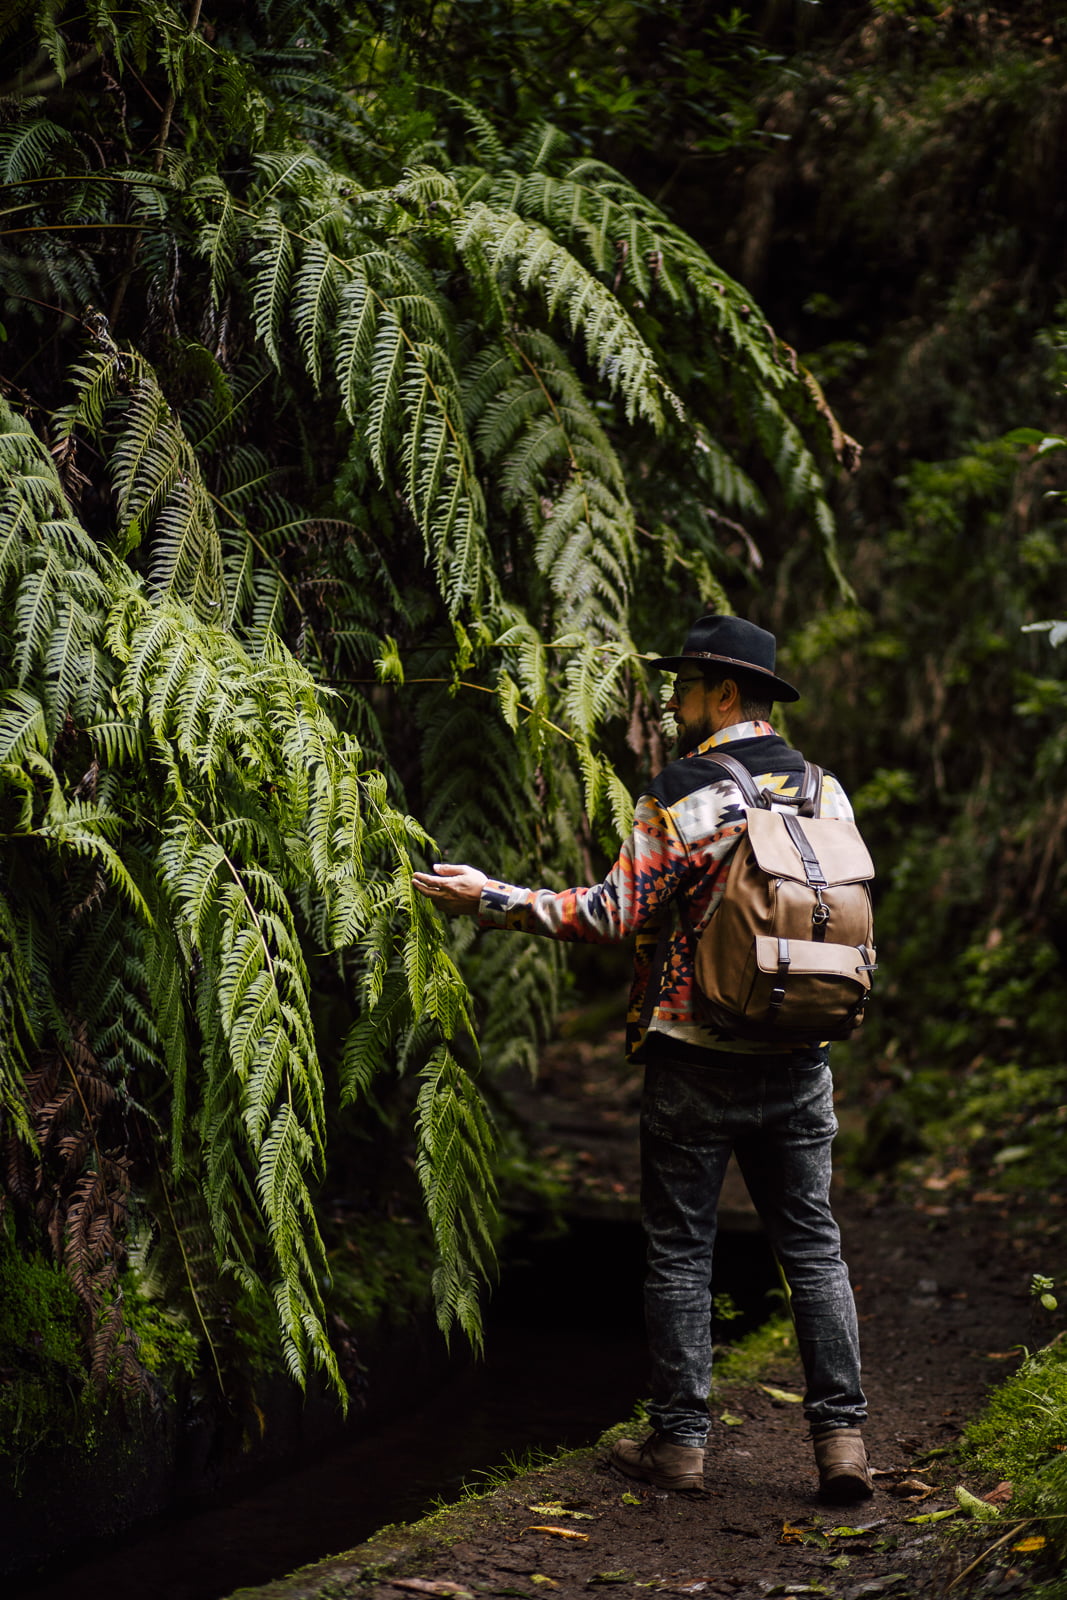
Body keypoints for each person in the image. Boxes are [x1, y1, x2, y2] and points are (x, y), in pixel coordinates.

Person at [412, 613, 872, 1504]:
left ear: (724, 695)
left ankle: (681, 1447)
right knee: (813, 1249)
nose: (671, 701)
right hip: (800, 1051)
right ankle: (841, 1444)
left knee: (679, 1251)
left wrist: (490, 898)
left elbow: (613, 913)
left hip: (696, 1051)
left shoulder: (685, 793)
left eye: (685, 686)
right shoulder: (827, 791)